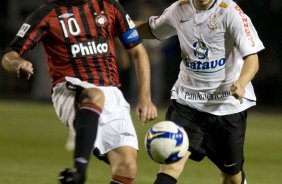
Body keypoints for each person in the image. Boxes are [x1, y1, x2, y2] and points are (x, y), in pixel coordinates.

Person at [1, 0, 158, 184]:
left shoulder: (110, 6)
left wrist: (145, 98)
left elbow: (138, 52)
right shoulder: (46, 14)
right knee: (94, 95)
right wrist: (18, 63)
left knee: (127, 167)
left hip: (112, 93)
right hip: (68, 87)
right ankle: (79, 171)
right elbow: (9, 54)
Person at [136, 0, 265, 183]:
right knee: (171, 164)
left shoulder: (230, 12)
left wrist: (242, 82)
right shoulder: (179, 9)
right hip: (187, 102)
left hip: (225, 107)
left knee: (231, 176)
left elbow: (252, 58)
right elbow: (152, 30)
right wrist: (119, 26)